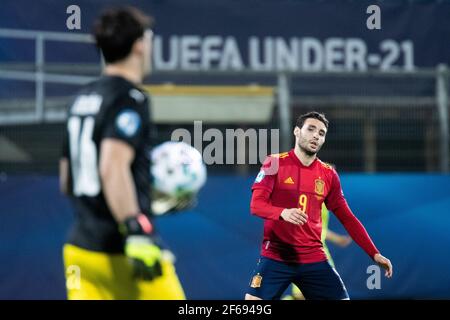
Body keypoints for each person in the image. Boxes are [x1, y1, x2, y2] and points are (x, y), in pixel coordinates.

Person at [59, 6, 185, 300]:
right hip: (123, 252)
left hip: (80, 251)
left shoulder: (81, 98)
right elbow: (112, 167)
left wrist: (146, 192)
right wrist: (135, 228)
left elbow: (67, 179)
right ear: (139, 44)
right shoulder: (130, 97)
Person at [245, 111, 393, 300]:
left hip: (313, 260)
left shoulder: (328, 175)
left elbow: (348, 218)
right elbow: (256, 205)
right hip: (276, 257)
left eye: (321, 133)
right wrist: (283, 212)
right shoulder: (274, 162)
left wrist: (374, 254)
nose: (316, 135)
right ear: (297, 132)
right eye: (311, 129)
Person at [284, 204, 352, 300]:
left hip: (320, 251)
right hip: (303, 251)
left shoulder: (326, 198)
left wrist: (337, 239)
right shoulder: (305, 196)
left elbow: (318, 227)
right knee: (301, 295)